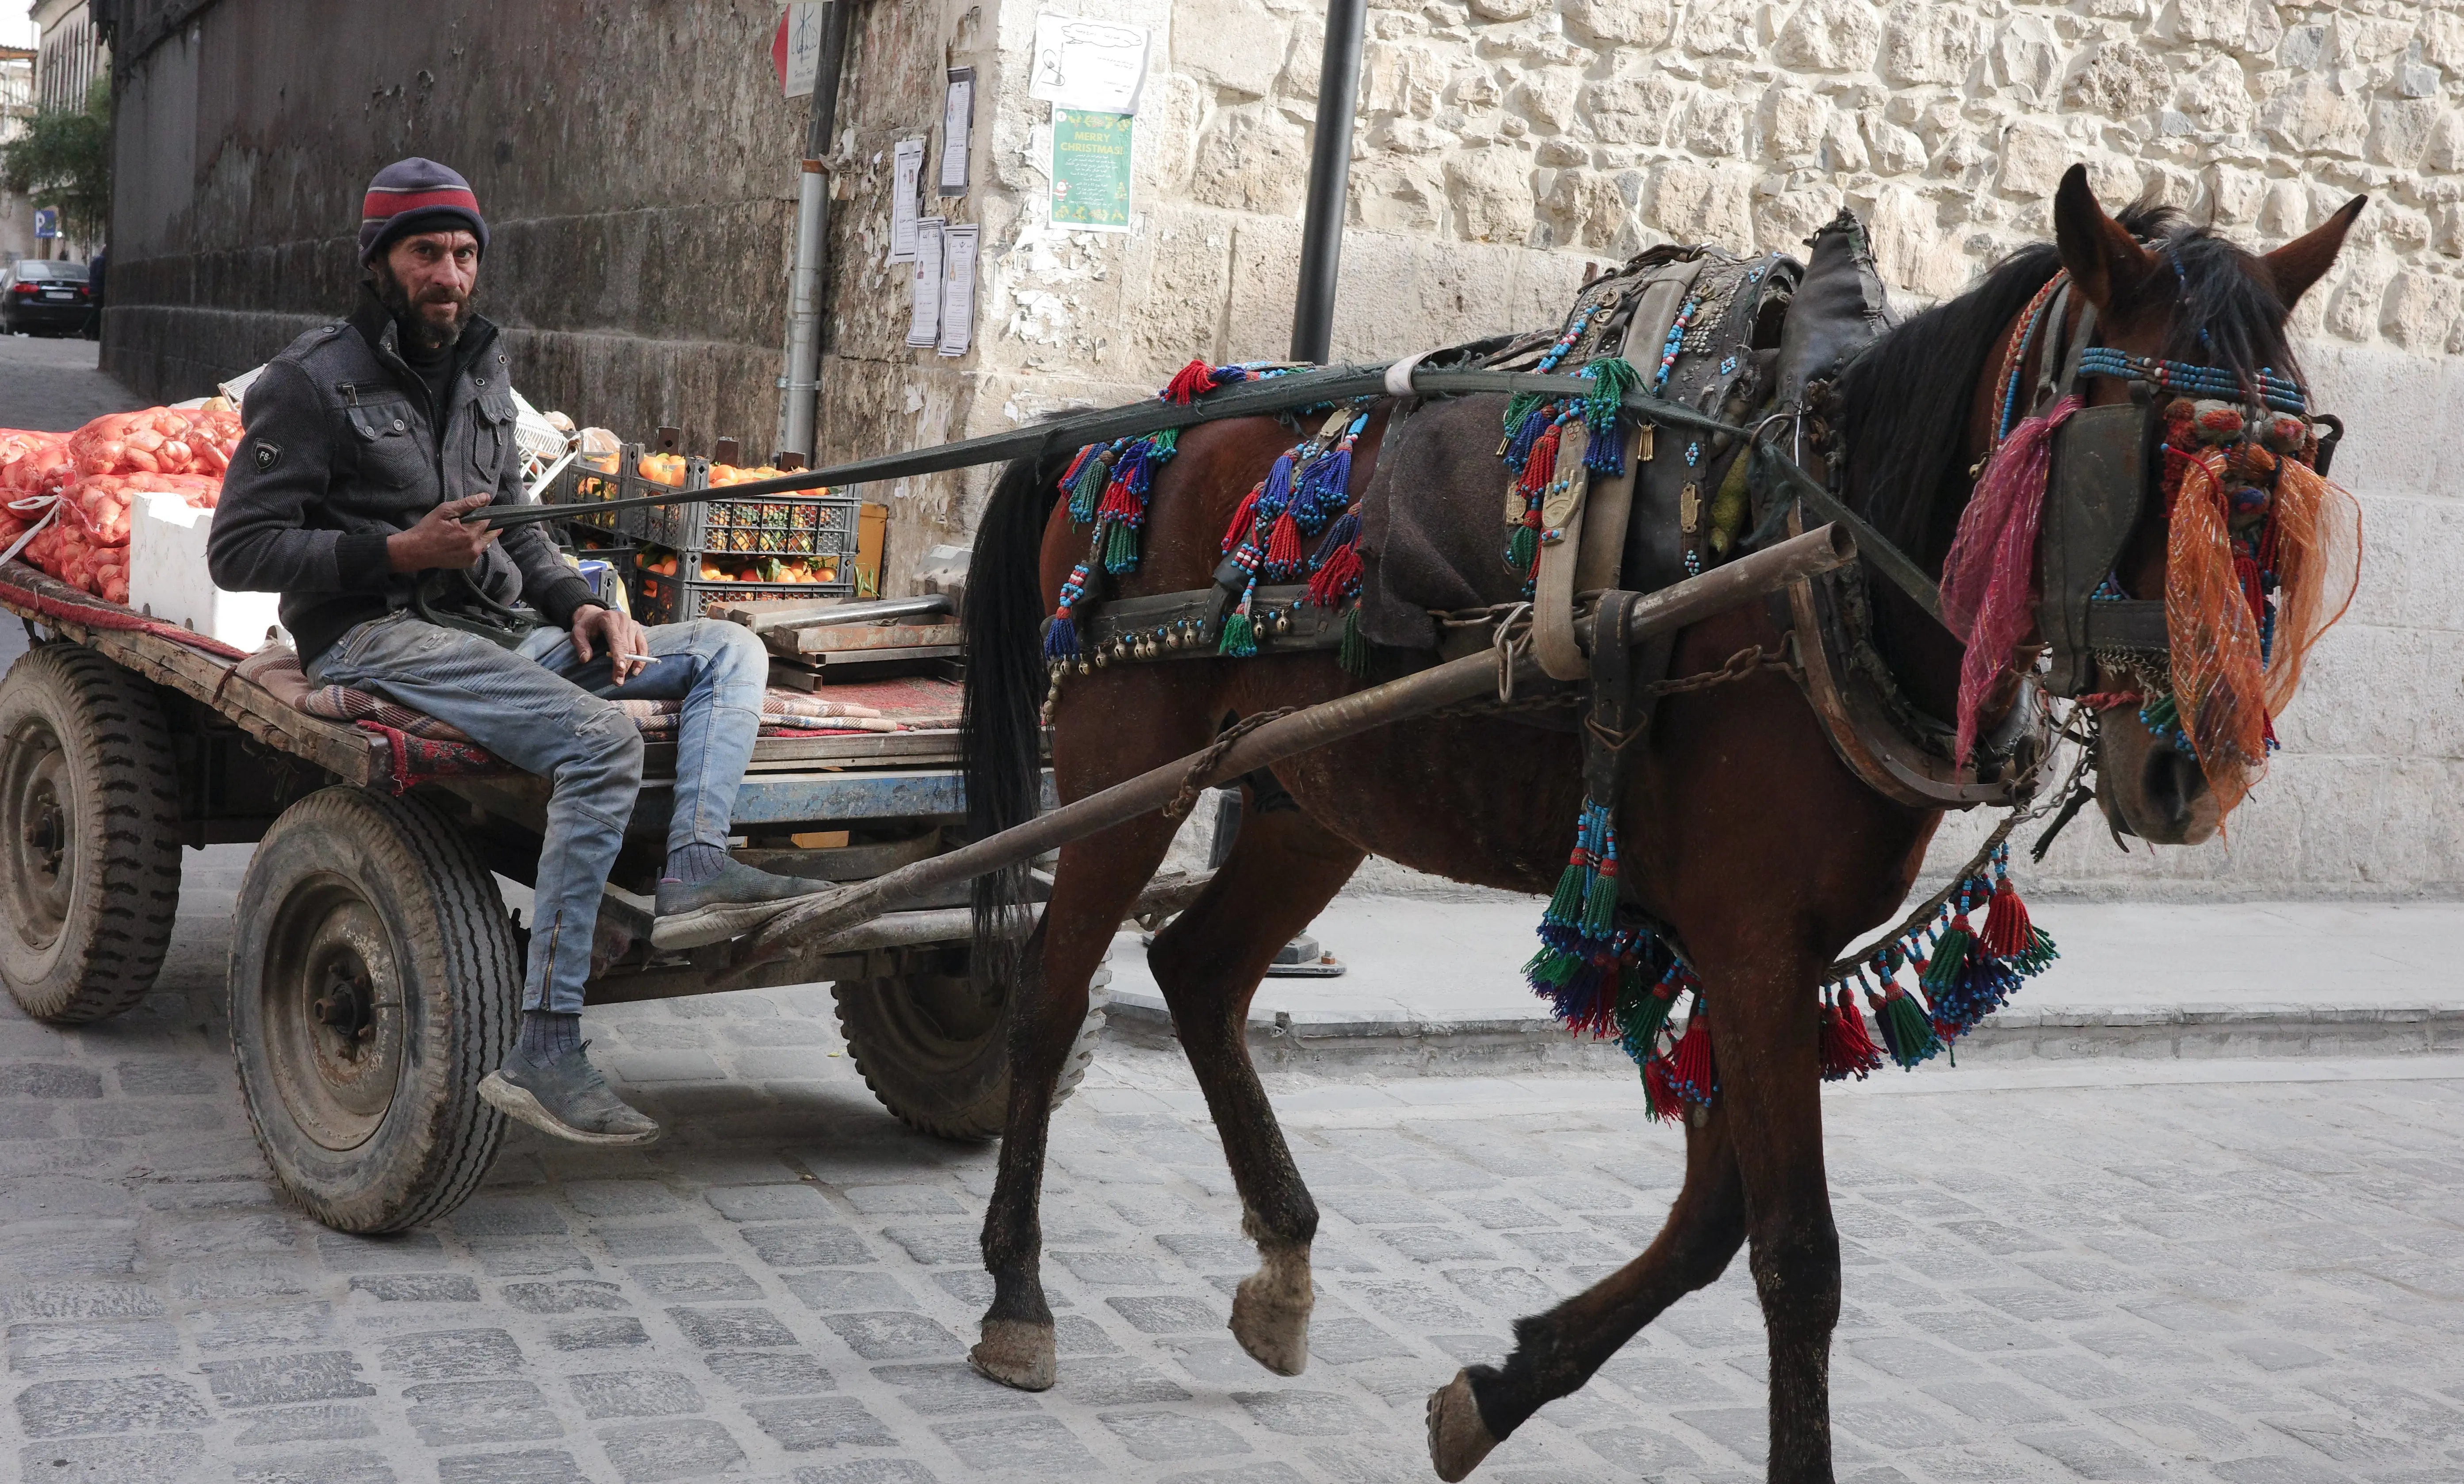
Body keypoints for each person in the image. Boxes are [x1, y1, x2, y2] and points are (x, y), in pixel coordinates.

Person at [208, 158, 827, 1147]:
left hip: (500, 627)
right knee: (600, 743)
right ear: (378, 263)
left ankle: (695, 866)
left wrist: (577, 603)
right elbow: (237, 550)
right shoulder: (308, 384)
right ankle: (544, 1043)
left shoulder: (486, 366)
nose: (448, 274)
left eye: (463, 254)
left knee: (726, 650)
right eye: (425, 253)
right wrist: (397, 551)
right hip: (378, 636)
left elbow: (516, 521)